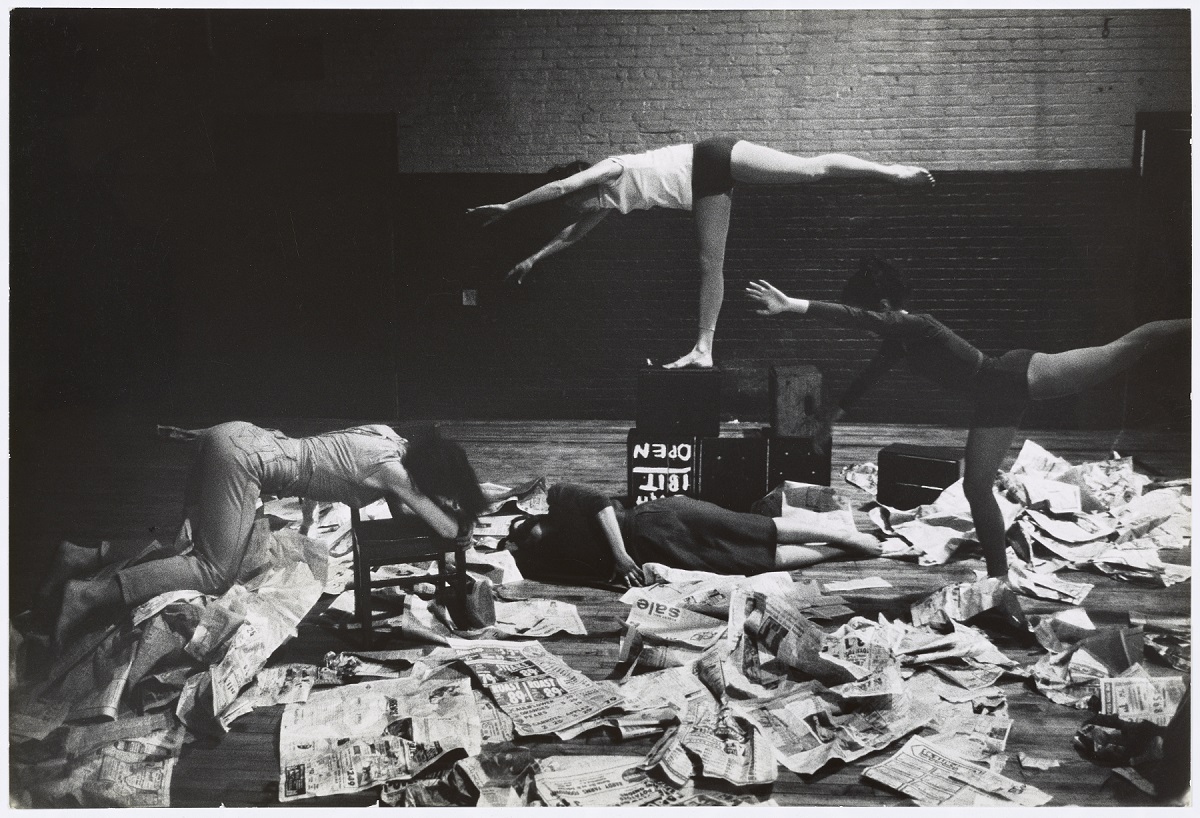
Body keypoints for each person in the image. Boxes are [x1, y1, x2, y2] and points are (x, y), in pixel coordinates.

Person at [745, 257, 1191, 578]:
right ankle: (1000, 577)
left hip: (1023, 373)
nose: (873, 321)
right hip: (996, 401)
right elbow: (868, 378)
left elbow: (857, 318)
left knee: (1127, 348)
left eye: (875, 312)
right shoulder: (899, 341)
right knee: (978, 486)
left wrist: (795, 305)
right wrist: (831, 419)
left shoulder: (919, 324)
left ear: (885, 305)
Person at [468, 138, 935, 369]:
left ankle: (890, 172)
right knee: (710, 265)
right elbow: (573, 233)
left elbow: (565, 187)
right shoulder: (604, 205)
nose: (581, 206)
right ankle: (703, 349)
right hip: (702, 190)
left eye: (579, 199)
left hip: (710, 158)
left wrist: (510, 206)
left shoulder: (608, 174)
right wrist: (534, 258)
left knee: (810, 171)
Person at [53, 422, 487, 644]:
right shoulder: (393, 472)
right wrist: (461, 526)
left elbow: (391, 496)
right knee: (213, 571)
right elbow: (445, 526)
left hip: (236, 435)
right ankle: (87, 596)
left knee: (200, 547)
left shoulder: (385, 435)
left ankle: (85, 556)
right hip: (244, 463)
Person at [500, 482, 882, 587]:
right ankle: (838, 553)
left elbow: (601, 502)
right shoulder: (534, 562)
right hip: (658, 557)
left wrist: (618, 555)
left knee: (753, 529)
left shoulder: (557, 496)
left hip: (657, 521)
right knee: (749, 562)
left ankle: (846, 538)